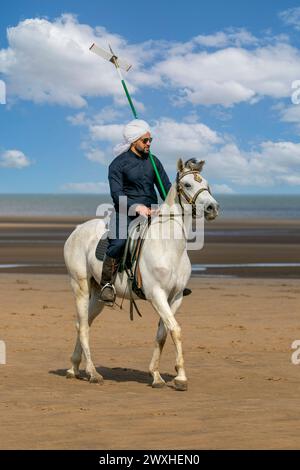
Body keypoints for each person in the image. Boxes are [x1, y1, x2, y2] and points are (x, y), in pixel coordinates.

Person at [99, 119, 172, 304]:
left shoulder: (154, 161)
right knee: (119, 242)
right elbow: (117, 195)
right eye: (145, 141)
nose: (148, 144)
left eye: (150, 140)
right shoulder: (117, 165)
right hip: (125, 212)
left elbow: (166, 189)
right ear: (133, 141)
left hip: (153, 212)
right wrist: (136, 207)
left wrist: (171, 202)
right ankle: (107, 284)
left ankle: (173, 280)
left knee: (173, 237)